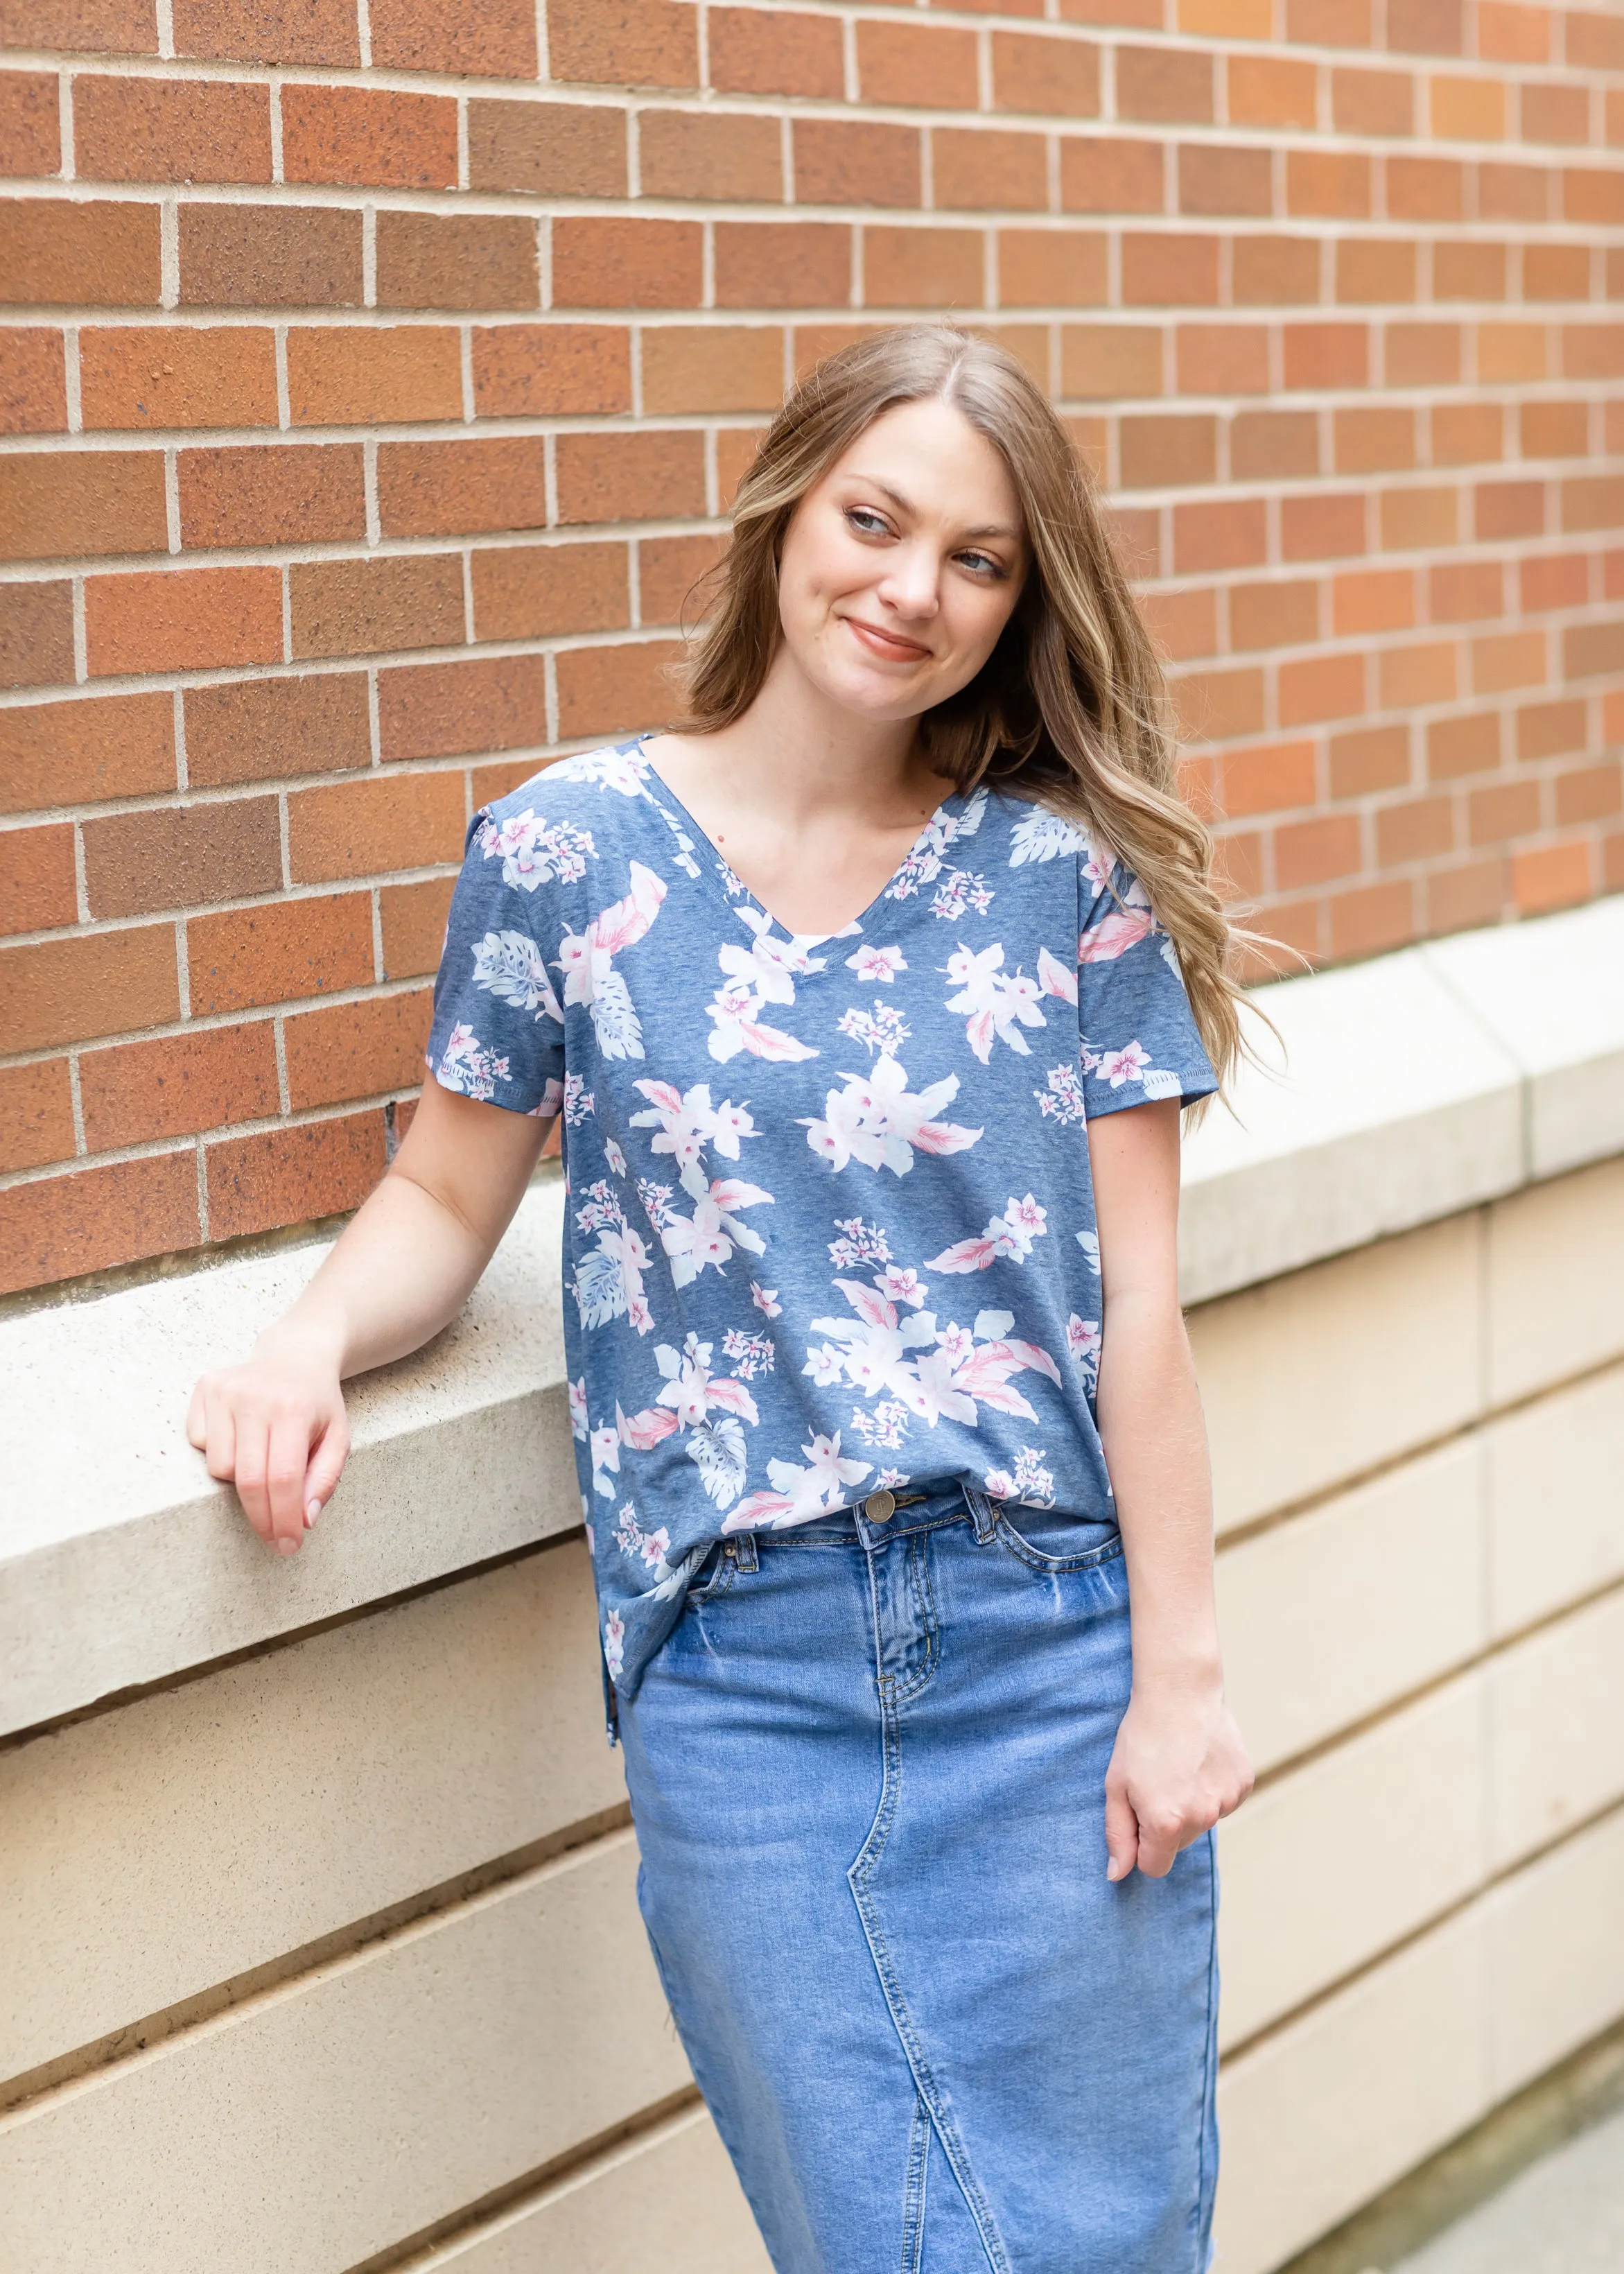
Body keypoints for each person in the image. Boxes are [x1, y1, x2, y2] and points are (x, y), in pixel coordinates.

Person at [188, 324, 1254, 2274]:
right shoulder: (563, 854)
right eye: (875, 518)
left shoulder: (1063, 882)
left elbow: (1139, 1313)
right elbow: (446, 1184)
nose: (909, 588)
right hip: (740, 1671)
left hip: (1048, 1644)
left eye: (978, 558)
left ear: (1021, 602)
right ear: (785, 511)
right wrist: (303, 1338)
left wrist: (1177, 1679)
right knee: (885, 2241)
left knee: (1105, 2239)